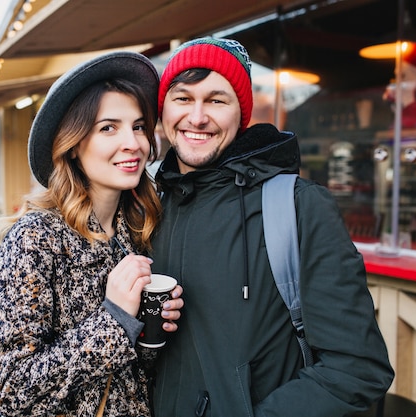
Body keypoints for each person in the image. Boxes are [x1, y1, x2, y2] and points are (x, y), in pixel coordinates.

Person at [149, 37, 394, 417]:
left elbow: (359, 367)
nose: (197, 117)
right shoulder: (148, 207)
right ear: (163, 110)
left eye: (216, 100)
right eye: (183, 98)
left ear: (241, 114)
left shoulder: (297, 205)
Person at [0, 51, 184, 417]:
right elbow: (12, 390)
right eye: (109, 127)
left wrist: (153, 330)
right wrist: (115, 320)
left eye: (139, 126)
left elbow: (131, 374)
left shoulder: (140, 227)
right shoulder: (35, 239)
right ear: (74, 144)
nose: (134, 143)